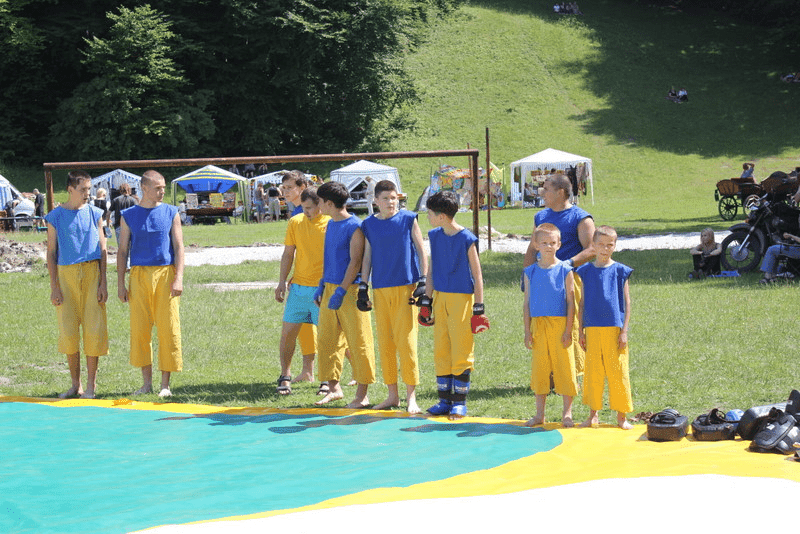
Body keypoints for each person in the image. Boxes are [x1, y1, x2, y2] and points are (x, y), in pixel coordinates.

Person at [361, 180, 428, 413]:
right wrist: (363, 286)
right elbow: (367, 256)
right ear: (376, 201)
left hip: (405, 287)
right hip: (380, 289)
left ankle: (411, 397)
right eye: (386, 198)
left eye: (394, 198)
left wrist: (423, 279)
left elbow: (421, 249)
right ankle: (392, 395)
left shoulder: (408, 219)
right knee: (386, 343)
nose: (391, 202)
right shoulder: (368, 225)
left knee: (406, 343)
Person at [421, 190, 489, 419]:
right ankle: (444, 400)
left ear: (441, 216)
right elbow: (431, 271)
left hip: (461, 300)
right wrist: (426, 301)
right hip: (440, 298)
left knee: (461, 348)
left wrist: (478, 308)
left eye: (430, 213)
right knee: (442, 348)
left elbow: (477, 276)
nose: (428, 217)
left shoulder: (466, 238)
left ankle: (459, 402)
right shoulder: (434, 236)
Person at [117, 170, 185, 398]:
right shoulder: (128, 215)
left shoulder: (171, 212)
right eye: (158, 188)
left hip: (166, 274)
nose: (162, 191)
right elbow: (122, 251)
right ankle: (146, 383)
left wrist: (179, 277)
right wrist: (120, 284)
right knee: (140, 330)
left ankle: (165, 384)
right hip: (138, 276)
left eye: (163, 187)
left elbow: (179, 247)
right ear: (144, 189)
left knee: (169, 329)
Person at [44, 170, 108, 399]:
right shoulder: (55, 217)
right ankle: (75, 385)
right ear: (70, 190)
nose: (87, 193)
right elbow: (51, 253)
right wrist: (54, 286)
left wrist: (103, 283)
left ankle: (91, 386)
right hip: (66, 276)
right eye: (83, 189)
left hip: (92, 275)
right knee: (69, 332)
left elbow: (103, 249)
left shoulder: (95, 213)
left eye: (89, 189)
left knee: (93, 330)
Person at [524, 174, 595, 376]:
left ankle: (573, 373)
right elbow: (532, 248)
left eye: (546, 189)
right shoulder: (540, 217)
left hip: (569, 279)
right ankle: (548, 372)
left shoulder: (581, 218)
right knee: (543, 322)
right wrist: (526, 276)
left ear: (560, 192)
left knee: (570, 324)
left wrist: (566, 265)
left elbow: (592, 249)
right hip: (541, 279)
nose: (542, 193)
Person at [314, 181, 376, 408]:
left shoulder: (355, 226)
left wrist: (341, 290)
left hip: (349, 290)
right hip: (330, 287)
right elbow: (329, 257)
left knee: (359, 341)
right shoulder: (330, 224)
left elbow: (355, 261)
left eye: (320, 202)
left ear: (329, 203)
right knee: (327, 340)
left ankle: (362, 395)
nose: (318, 206)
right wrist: (323, 284)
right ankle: (334, 388)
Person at [274, 187, 337, 395]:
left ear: (321, 205)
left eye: (309, 207)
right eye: (303, 207)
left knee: (326, 338)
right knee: (287, 335)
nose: (305, 211)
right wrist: (281, 281)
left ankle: (327, 380)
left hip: (323, 290)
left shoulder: (331, 223)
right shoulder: (295, 222)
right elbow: (288, 253)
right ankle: (285, 376)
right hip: (298, 289)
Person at [576, 226, 633, 430]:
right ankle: (593, 415)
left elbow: (627, 302)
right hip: (592, 329)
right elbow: (582, 303)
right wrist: (580, 331)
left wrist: (624, 331)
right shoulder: (585, 271)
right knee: (593, 372)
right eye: (601, 244)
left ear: (615, 246)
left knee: (618, 372)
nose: (605, 249)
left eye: (610, 245)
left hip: (614, 329)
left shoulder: (620, 271)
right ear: (593, 245)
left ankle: (621, 416)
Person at [522, 223, 578, 427]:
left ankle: (567, 413)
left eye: (552, 243)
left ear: (559, 244)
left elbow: (571, 302)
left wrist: (568, 330)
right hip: (538, 326)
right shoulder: (530, 272)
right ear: (536, 244)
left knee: (565, 367)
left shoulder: (565, 270)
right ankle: (540, 414)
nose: (548, 246)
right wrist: (527, 331)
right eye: (544, 243)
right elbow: (527, 303)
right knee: (540, 369)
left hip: (560, 324)